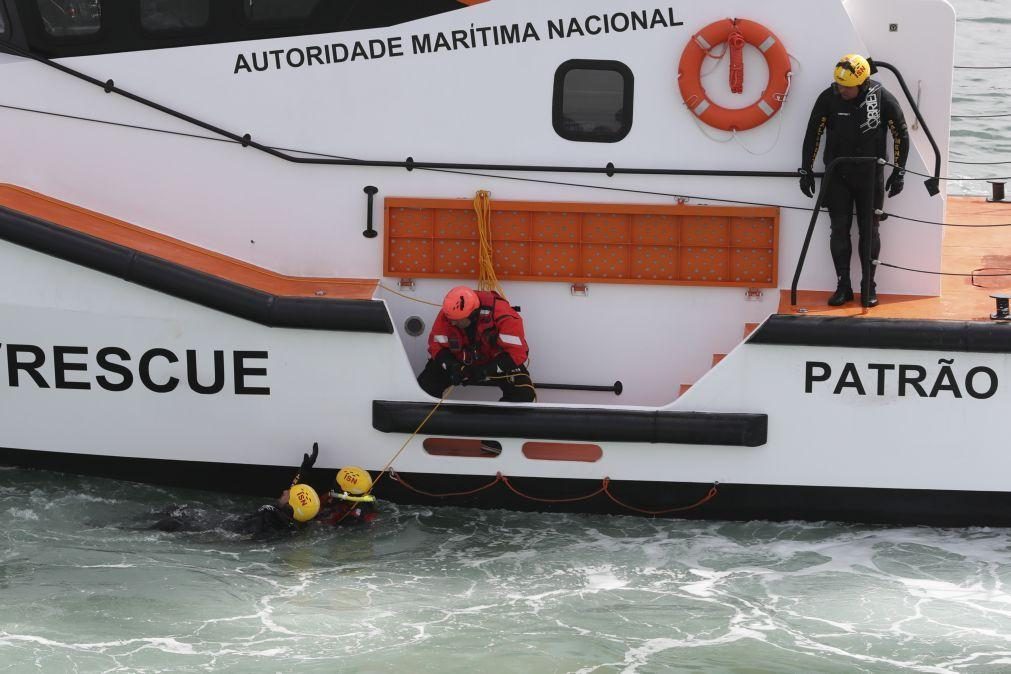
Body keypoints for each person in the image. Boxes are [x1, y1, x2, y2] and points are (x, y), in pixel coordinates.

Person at [798, 54, 909, 308]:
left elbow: (901, 133)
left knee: (870, 231)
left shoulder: (882, 98)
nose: (841, 90)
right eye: (838, 84)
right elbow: (813, 133)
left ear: (863, 83)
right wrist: (805, 170)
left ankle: (868, 287)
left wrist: (899, 172)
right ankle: (843, 286)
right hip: (837, 175)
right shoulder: (829, 97)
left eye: (847, 86)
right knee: (839, 230)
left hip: (870, 175)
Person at [417, 286, 536, 402]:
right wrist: (452, 366)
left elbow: (517, 354)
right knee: (425, 386)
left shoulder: (503, 315)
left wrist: (485, 370)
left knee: (523, 394)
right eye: (450, 319)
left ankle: (496, 420)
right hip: (459, 362)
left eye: (456, 320)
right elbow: (436, 347)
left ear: (472, 314)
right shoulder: (448, 315)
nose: (452, 323)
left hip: (494, 362)